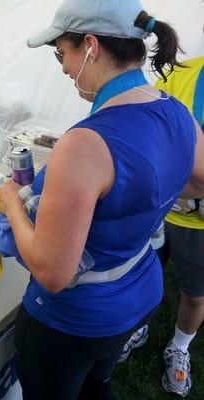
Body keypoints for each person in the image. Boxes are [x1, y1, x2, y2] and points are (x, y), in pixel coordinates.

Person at [0, 0, 204, 399]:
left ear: (90, 45)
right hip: (138, 291)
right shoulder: (175, 110)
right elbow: (199, 181)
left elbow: (53, 273)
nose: (63, 68)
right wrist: (141, 201)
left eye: (62, 53)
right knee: (98, 383)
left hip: (75, 318)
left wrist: (11, 206)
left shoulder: (84, 145)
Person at [119, 56, 204, 397]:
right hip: (158, 210)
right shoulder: (181, 73)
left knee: (195, 294)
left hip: (198, 227)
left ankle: (180, 346)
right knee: (138, 277)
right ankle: (137, 328)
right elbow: (147, 129)